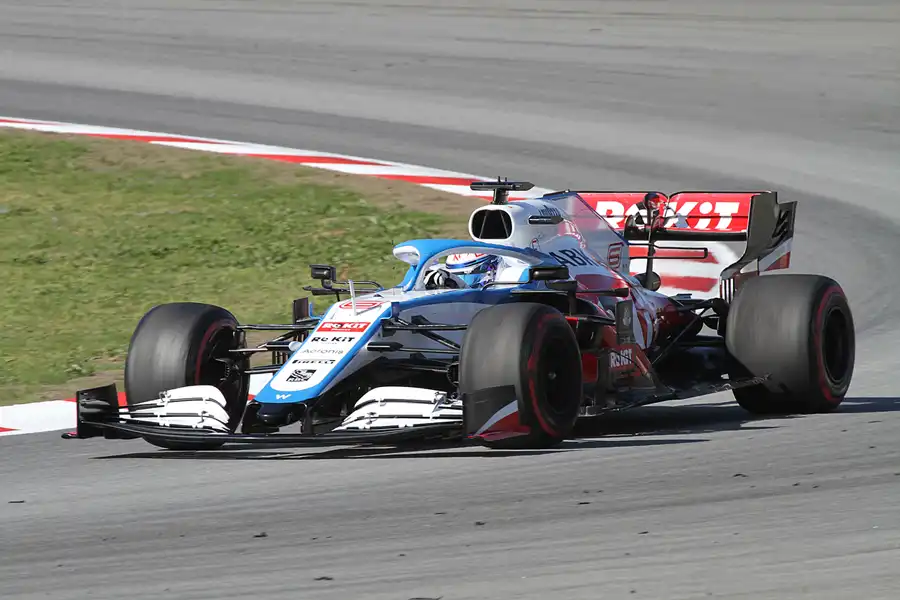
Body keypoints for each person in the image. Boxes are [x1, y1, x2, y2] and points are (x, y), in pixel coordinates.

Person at [423, 253, 502, 290]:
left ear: (490, 269)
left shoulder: (506, 278)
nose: (459, 279)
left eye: (464, 275)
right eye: (455, 275)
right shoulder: (438, 275)